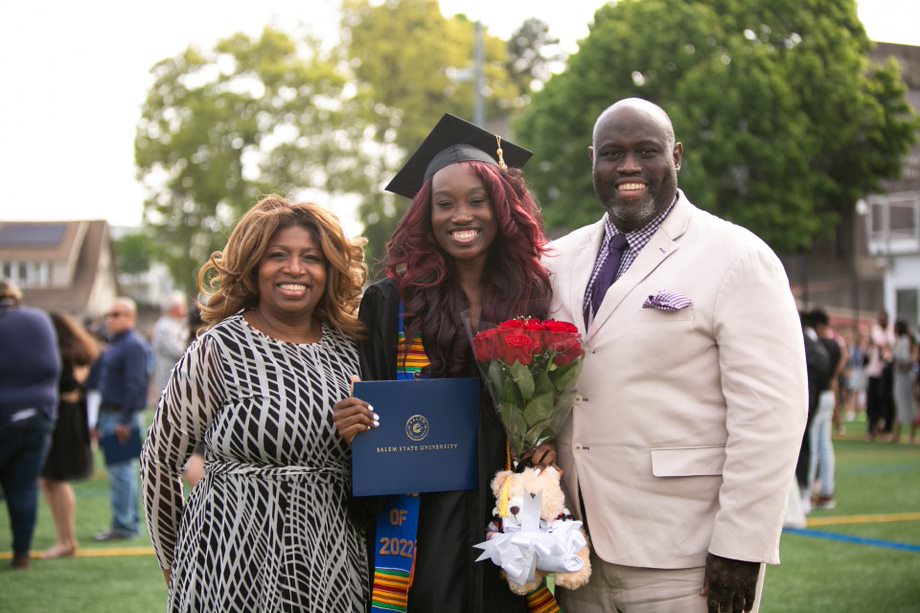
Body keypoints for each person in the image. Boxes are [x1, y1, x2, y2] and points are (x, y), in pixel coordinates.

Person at [544, 98, 807, 613]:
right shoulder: (559, 258)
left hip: (689, 558)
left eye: (647, 151)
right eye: (612, 153)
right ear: (591, 161)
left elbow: (770, 417)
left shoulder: (737, 257)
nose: (629, 167)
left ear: (677, 156)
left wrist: (741, 546)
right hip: (578, 556)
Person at [333, 113, 556, 613]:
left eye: (478, 201)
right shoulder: (392, 302)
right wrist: (353, 423)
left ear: (502, 210)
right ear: (425, 215)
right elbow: (368, 405)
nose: (462, 215)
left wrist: (545, 444)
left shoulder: (533, 296)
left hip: (508, 508)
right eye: (445, 204)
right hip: (422, 516)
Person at [141, 195, 369, 611]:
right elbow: (159, 460)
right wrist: (174, 562)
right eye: (277, 255)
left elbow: (380, 467)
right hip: (227, 561)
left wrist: (364, 439)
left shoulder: (352, 352)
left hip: (330, 560)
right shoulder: (218, 348)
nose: (295, 269)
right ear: (252, 266)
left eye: (311, 258)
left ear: (330, 269)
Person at [0, 278, 61, 570]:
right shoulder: (39, 319)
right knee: (24, 488)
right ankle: (21, 555)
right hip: (39, 416)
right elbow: (53, 366)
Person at [39, 312, 101, 558]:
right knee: (50, 479)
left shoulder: (62, 356)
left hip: (63, 420)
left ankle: (66, 539)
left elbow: (67, 388)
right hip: (69, 418)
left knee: (57, 479)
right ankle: (64, 538)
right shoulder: (77, 353)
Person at [93, 297, 152, 542]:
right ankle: (126, 523)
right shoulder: (118, 344)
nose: (111, 319)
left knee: (122, 472)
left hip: (121, 415)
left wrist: (125, 420)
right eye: (109, 314)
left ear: (131, 317)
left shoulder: (133, 345)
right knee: (119, 471)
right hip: (110, 413)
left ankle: (125, 525)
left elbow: (136, 385)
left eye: (117, 314)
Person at [150, 291, 188, 403]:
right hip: (168, 378)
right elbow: (177, 351)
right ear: (175, 308)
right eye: (182, 305)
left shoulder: (176, 324)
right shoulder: (165, 326)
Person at [866, 310, 895, 440]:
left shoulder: (890, 331)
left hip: (887, 372)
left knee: (887, 402)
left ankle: (886, 429)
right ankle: (872, 429)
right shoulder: (875, 330)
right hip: (874, 372)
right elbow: (880, 344)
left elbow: (888, 346)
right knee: (873, 402)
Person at [890, 320, 918, 444]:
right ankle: (900, 435)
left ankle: (906, 436)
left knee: (909, 405)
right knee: (904, 405)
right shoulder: (903, 341)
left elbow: (908, 359)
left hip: (905, 377)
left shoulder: (905, 341)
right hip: (902, 376)